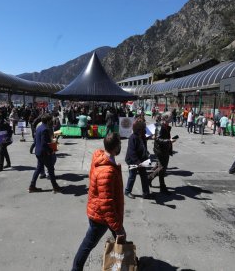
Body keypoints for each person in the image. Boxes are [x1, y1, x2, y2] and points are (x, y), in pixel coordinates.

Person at [71, 133, 125, 271]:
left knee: (121, 239)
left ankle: (124, 264)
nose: (121, 146)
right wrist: (117, 227)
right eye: (119, 144)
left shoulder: (101, 157)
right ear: (115, 147)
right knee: (88, 245)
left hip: (102, 212)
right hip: (101, 217)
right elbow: (106, 203)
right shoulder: (107, 172)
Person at [28, 113, 63, 193]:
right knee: (50, 169)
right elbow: (44, 143)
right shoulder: (45, 129)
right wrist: (50, 151)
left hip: (38, 152)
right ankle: (55, 187)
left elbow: (36, 141)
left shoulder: (39, 127)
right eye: (50, 120)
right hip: (44, 153)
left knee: (38, 169)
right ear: (48, 121)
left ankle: (32, 186)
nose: (51, 121)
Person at [148, 113, 176, 193]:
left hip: (165, 149)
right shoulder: (160, 126)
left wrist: (170, 140)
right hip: (160, 151)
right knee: (162, 168)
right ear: (166, 118)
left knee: (161, 168)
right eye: (171, 117)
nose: (172, 118)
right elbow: (157, 139)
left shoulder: (166, 126)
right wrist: (169, 141)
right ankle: (158, 184)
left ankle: (151, 180)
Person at [124, 119, 152, 199]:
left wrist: (145, 158)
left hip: (141, 160)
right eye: (143, 129)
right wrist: (137, 162)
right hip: (132, 161)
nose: (145, 131)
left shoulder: (142, 136)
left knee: (144, 176)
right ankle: (127, 191)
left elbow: (144, 146)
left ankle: (146, 193)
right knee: (132, 176)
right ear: (139, 130)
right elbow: (131, 152)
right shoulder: (133, 138)